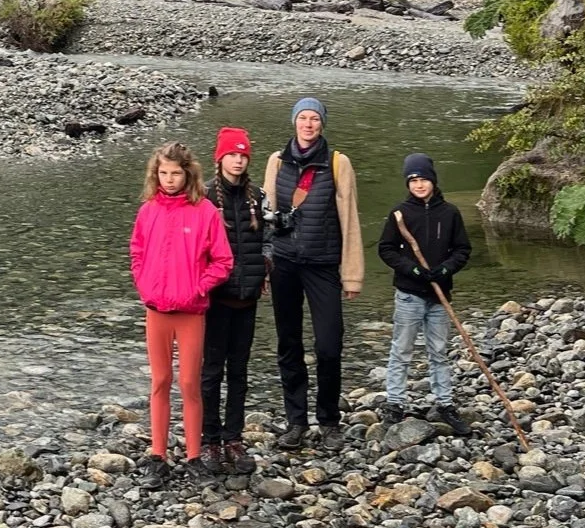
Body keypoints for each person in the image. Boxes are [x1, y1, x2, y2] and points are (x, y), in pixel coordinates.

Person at [129, 141, 234, 485]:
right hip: (156, 308)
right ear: (155, 174)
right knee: (160, 381)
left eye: (175, 173)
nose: (169, 180)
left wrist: (199, 287)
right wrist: (145, 285)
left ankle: (193, 456)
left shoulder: (204, 211)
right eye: (163, 173)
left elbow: (223, 261)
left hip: (190, 310)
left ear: (187, 174)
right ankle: (157, 455)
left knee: (190, 383)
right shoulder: (148, 211)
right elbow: (137, 252)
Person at [263, 97, 363, 451]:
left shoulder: (338, 163)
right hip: (285, 264)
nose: (308, 124)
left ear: (322, 124)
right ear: (294, 122)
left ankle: (329, 419)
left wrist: (352, 275)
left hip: (323, 264)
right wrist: (263, 265)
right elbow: (267, 217)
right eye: (302, 118)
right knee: (288, 344)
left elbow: (349, 220)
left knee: (329, 345)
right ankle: (296, 420)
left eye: (314, 119)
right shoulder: (276, 161)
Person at [377, 152, 473, 437]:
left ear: (433, 180)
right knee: (402, 349)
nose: (419, 185)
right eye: (413, 180)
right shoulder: (399, 213)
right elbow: (386, 249)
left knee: (439, 352)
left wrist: (446, 269)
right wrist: (412, 270)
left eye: (423, 179)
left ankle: (445, 403)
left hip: (440, 295)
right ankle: (394, 403)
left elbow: (462, 250)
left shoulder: (450, 213)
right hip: (409, 294)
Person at [200, 126, 269, 476]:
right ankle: (209, 439)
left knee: (239, 372)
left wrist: (264, 273)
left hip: (248, 296)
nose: (238, 160)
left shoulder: (258, 195)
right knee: (211, 371)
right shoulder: (205, 197)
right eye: (232, 154)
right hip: (215, 298)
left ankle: (234, 437)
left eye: (243, 155)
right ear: (220, 157)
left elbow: (267, 240)